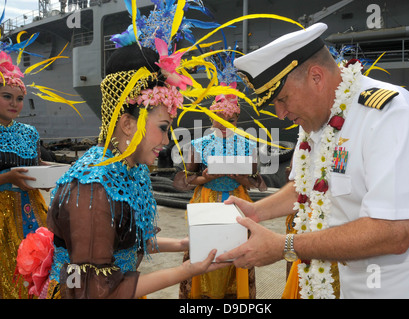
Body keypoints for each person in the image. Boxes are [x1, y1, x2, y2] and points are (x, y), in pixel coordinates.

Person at [215, 22, 409, 299]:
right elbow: (309, 185)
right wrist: (256, 212)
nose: (279, 113)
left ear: (316, 77)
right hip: (353, 279)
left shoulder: (390, 115)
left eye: (283, 98)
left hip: (406, 283)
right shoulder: (318, 120)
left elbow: (393, 231)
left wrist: (284, 246)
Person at [15, 0, 228, 299]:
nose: (167, 142)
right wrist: (188, 270)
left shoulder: (132, 169)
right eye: (164, 128)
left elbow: (127, 242)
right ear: (128, 124)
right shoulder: (92, 190)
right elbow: (95, 290)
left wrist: (182, 244)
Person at [176, 65, 266, 298]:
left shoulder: (249, 145)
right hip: (205, 203)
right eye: (221, 117)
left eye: (232, 118)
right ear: (211, 116)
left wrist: (243, 178)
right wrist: (204, 178)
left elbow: (258, 182)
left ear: (237, 118)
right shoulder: (197, 146)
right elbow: (184, 180)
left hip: (238, 204)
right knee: (205, 249)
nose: (226, 123)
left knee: (237, 251)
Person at [0, 51, 48, 299]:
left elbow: (36, 164)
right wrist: (7, 178)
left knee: (41, 269)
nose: (14, 104)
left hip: (34, 210)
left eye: (19, 99)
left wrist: (53, 174)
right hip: (1, 217)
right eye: (7, 96)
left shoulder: (29, 132)